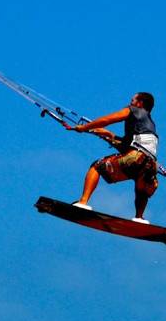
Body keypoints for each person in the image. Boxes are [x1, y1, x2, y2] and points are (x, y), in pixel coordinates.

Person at [66, 92, 159, 223]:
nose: (130, 103)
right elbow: (129, 146)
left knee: (97, 166)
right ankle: (139, 217)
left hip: (136, 157)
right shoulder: (150, 124)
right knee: (141, 186)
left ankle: (82, 202)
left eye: (132, 101)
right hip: (150, 165)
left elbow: (107, 120)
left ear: (139, 104)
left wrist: (83, 127)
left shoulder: (133, 110)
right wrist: (110, 135)